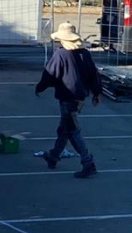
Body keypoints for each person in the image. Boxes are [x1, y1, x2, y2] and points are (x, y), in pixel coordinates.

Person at [34, 22, 101, 179]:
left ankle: (88, 162)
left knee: (72, 130)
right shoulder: (84, 53)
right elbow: (93, 74)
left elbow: (50, 74)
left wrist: (40, 87)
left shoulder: (61, 54)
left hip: (67, 97)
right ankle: (53, 155)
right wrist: (97, 92)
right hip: (79, 97)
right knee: (65, 128)